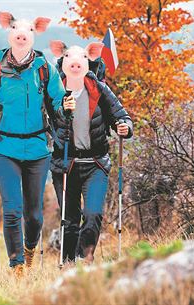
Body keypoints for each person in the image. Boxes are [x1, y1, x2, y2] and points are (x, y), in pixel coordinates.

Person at [0, 12, 71, 277]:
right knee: (12, 210)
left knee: (33, 216)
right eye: (16, 30)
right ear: (8, 33)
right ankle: (17, 266)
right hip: (4, 149)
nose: (22, 34)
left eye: (28, 31)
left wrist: (65, 106)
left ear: (36, 34)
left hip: (37, 149)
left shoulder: (45, 69)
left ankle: (30, 249)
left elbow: (57, 101)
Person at [49, 40, 134, 264]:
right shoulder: (54, 89)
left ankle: (84, 259)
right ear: (62, 61)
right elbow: (45, 120)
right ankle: (68, 264)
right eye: (70, 59)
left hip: (95, 163)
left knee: (93, 214)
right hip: (64, 164)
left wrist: (124, 127)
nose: (76, 64)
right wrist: (62, 112)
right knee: (70, 219)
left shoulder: (99, 89)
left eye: (82, 59)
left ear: (90, 61)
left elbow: (121, 115)